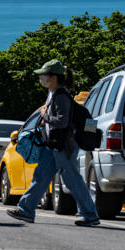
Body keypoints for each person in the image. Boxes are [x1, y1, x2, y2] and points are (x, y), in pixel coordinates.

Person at [7, 59, 100, 227]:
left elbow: (62, 122)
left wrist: (45, 116)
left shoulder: (61, 96)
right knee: (40, 177)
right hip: (54, 145)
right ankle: (26, 210)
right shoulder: (54, 93)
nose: (41, 78)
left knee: (72, 180)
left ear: (53, 78)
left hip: (63, 146)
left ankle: (90, 214)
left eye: (44, 75)